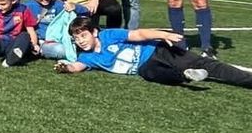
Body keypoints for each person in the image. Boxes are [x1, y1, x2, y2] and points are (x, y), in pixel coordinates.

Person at [57, 16, 252, 88]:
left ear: (94, 32)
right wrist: (65, 67)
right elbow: (76, 66)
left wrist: (162, 34)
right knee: (150, 73)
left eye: (83, 35)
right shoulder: (87, 57)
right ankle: (185, 75)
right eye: (76, 38)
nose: (80, 41)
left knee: (208, 65)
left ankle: (247, 80)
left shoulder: (109, 35)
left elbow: (139, 34)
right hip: (145, 66)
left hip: (157, 50)